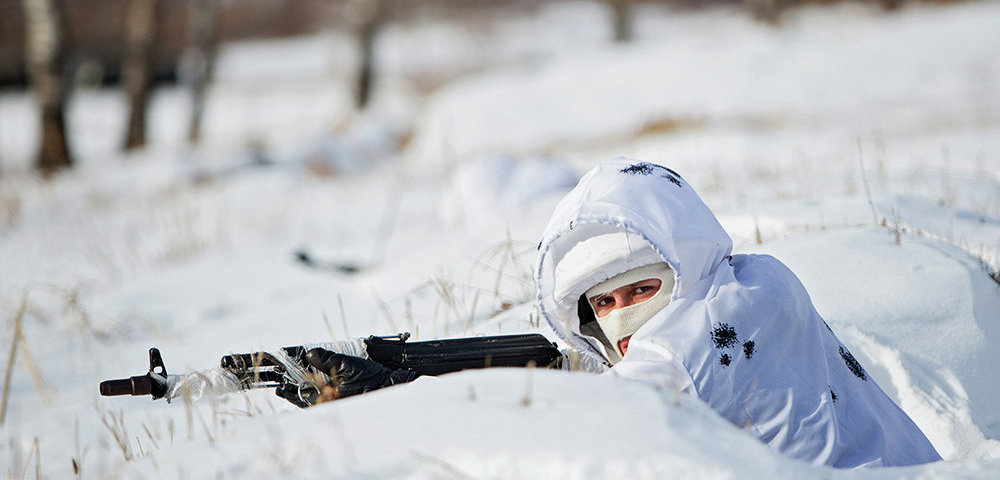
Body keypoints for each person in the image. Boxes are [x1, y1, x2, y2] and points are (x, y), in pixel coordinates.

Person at [533, 158, 941, 468]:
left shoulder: (678, 350)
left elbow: (594, 433)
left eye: (642, 290)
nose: (622, 318)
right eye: (605, 302)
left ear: (682, 268)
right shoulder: (760, 279)